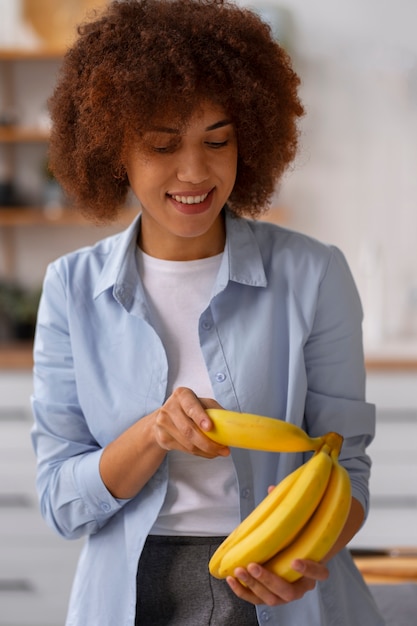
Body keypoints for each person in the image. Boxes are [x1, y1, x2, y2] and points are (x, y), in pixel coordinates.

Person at [30, 1, 384, 624]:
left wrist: (304, 556)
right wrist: (153, 433)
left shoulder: (313, 274)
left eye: (217, 140)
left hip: (281, 585)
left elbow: (346, 470)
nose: (194, 171)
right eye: (162, 145)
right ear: (115, 150)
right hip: (131, 594)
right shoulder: (70, 288)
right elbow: (61, 501)